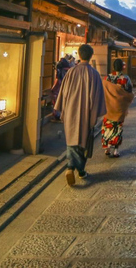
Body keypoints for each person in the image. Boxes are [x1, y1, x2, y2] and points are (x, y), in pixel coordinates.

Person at [54, 44, 105, 186]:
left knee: (72, 141)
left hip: (70, 111)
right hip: (86, 113)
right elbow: (97, 97)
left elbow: (63, 92)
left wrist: (61, 109)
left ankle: (76, 169)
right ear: (90, 56)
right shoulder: (94, 74)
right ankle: (73, 168)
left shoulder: (70, 72)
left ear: (80, 55)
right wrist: (95, 115)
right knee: (83, 143)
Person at [101, 59, 134, 158]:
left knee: (107, 127)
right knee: (118, 128)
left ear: (113, 67)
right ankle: (115, 150)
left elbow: (102, 91)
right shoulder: (126, 78)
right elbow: (129, 92)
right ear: (122, 67)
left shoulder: (107, 78)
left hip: (108, 107)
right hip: (119, 107)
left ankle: (107, 149)